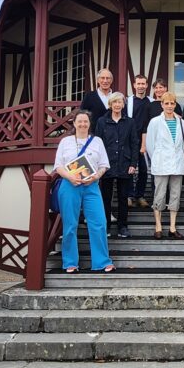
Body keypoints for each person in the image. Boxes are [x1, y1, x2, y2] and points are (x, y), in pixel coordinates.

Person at [54, 110, 114, 273]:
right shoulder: (65, 142)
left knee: (99, 222)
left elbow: (104, 165)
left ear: (89, 124)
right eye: (79, 121)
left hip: (91, 186)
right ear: (74, 124)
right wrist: (70, 177)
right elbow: (58, 166)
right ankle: (70, 262)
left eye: (85, 121)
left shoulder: (97, 141)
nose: (82, 124)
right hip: (69, 185)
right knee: (70, 224)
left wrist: (96, 177)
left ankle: (102, 261)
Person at [96, 92, 138, 239]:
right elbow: (98, 144)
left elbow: (134, 143)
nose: (117, 105)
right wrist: (99, 164)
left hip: (125, 163)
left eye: (120, 102)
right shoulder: (102, 122)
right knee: (105, 198)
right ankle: (106, 225)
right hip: (106, 165)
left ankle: (122, 226)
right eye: (115, 102)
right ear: (110, 104)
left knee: (123, 198)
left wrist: (133, 163)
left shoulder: (130, 122)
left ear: (123, 104)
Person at [146, 92, 184, 239]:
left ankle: (172, 227)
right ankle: (158, 226)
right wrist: (157, 158)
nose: (169, 106)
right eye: (166, 103)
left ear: (175, 104)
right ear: (162, 104)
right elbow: (150, 144)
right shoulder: (155, 122)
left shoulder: (181, 122)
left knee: (175, 195)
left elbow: (182, 144)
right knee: (160, 194)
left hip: (177, 163)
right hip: (161, 162)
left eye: (172, 103)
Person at [126, 74, 152, 208]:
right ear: (134, 85)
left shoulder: (151, 102)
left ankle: (140, 196)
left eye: (143, 84)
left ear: (147, 85)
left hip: (147, 140)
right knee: (129, 169)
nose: (141, 86)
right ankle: (129, 196)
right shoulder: (128, 101)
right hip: (131, 140)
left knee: (143, 169)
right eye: (139, 84)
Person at [80, 68, 115, 132]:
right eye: (102, 78)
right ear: (98, 80)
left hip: (114, 136)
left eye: (107, 78)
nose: (105, 81)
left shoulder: (116, 97)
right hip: (95, 134)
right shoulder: (89, 97)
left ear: (111, 80)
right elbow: (82, 115)